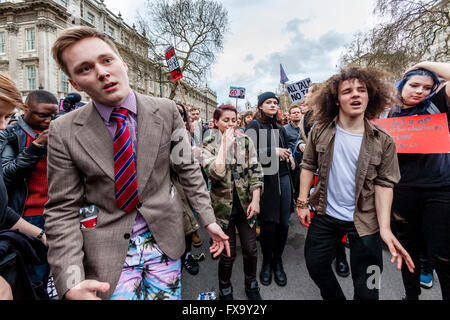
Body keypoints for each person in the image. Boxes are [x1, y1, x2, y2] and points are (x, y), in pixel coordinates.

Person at [44, 26, 230, 300]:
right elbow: (62, 210)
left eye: (106, 60)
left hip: (165, 244)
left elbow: (188, 170)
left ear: (123, 63)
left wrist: (209, 220)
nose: (102, 72)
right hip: (106, 255)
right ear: (74, 83)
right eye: (85, 69)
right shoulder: (64, 131)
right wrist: (71, 281)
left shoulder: (166, 111)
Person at [296, 66, 414, 300]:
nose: (355, 94)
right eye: (347, 91)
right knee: (315, 265)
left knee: (370, 284)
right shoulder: (319, 130)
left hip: (366, 221)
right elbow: (308, 164)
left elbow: (384, 185)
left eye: (361, 90)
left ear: (370, 96)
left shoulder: (384, 141)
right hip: (325, 215)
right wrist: (301, 203)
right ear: (337, 100)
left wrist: (385, 228)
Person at [387, 61, 450, 300]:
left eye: (427, 87)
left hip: (440, 189)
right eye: (414, 85)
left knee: (442, 255)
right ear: (401, 85)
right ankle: (410, 296)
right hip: (403, 190)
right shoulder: (387, 112)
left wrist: (423, 65)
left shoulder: (437, 104)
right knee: (408, 250)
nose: (420, 91)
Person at [203, 104, 264, 300]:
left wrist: (256, 200)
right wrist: (225, 146)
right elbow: (215, 172)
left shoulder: (246, 141)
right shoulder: (209, 144)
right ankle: (225, 287)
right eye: (225, 120)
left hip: (245, 206)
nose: (231, 124)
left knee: (251, 250)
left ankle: (251, 283)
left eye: (234, 120)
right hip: (223, 210)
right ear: (216, 122)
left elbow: (256, 171)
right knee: (228, 254)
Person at [0, 90, 57, 289]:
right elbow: (6, 174)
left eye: (53, 116)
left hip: (56, 214)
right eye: (42, 115)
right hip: (26, 217)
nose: (49, 121)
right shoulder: (11, 135)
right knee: (34, 276)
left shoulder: (57, 131)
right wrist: (37, 146)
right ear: (25, 109)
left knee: (56, 274)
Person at [300, 85, 351, 278]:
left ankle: (341, 255)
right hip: (317, 178)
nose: (305, 97)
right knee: (324, 217)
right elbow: (306, 153)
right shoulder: (307, 120)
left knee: (341, 216)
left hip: (340, 179)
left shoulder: (340, 118)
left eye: (309, 93)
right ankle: (327, 252)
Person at [245, 92, 295, 287]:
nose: (273, 105)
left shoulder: (279, 127)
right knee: (268, 223)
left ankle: (277, 260)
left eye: (275, 102)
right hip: (265, 181)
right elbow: (246, 152)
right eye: (268, 102)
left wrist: (290, 158)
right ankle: (266, 262)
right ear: (260, 106)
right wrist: (272, 152)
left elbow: (285, 149)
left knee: (283, 224)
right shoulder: (254, 126)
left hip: (283, 178)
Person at [175, 102, 203, 276]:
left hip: (188, 181)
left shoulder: (187, 131)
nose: (176, 115)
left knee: (188, 216)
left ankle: (186, 254)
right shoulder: (161, 132)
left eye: (180, 113)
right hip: (170, 185)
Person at [284, 104, 302, 204]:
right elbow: (284, 144)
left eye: (298, 112)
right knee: (296, 182)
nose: (296, 114)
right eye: (293, 113)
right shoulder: (285, 129)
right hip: (293, 161)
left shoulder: (306, 127)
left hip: (306, 159)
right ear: (290, 116)